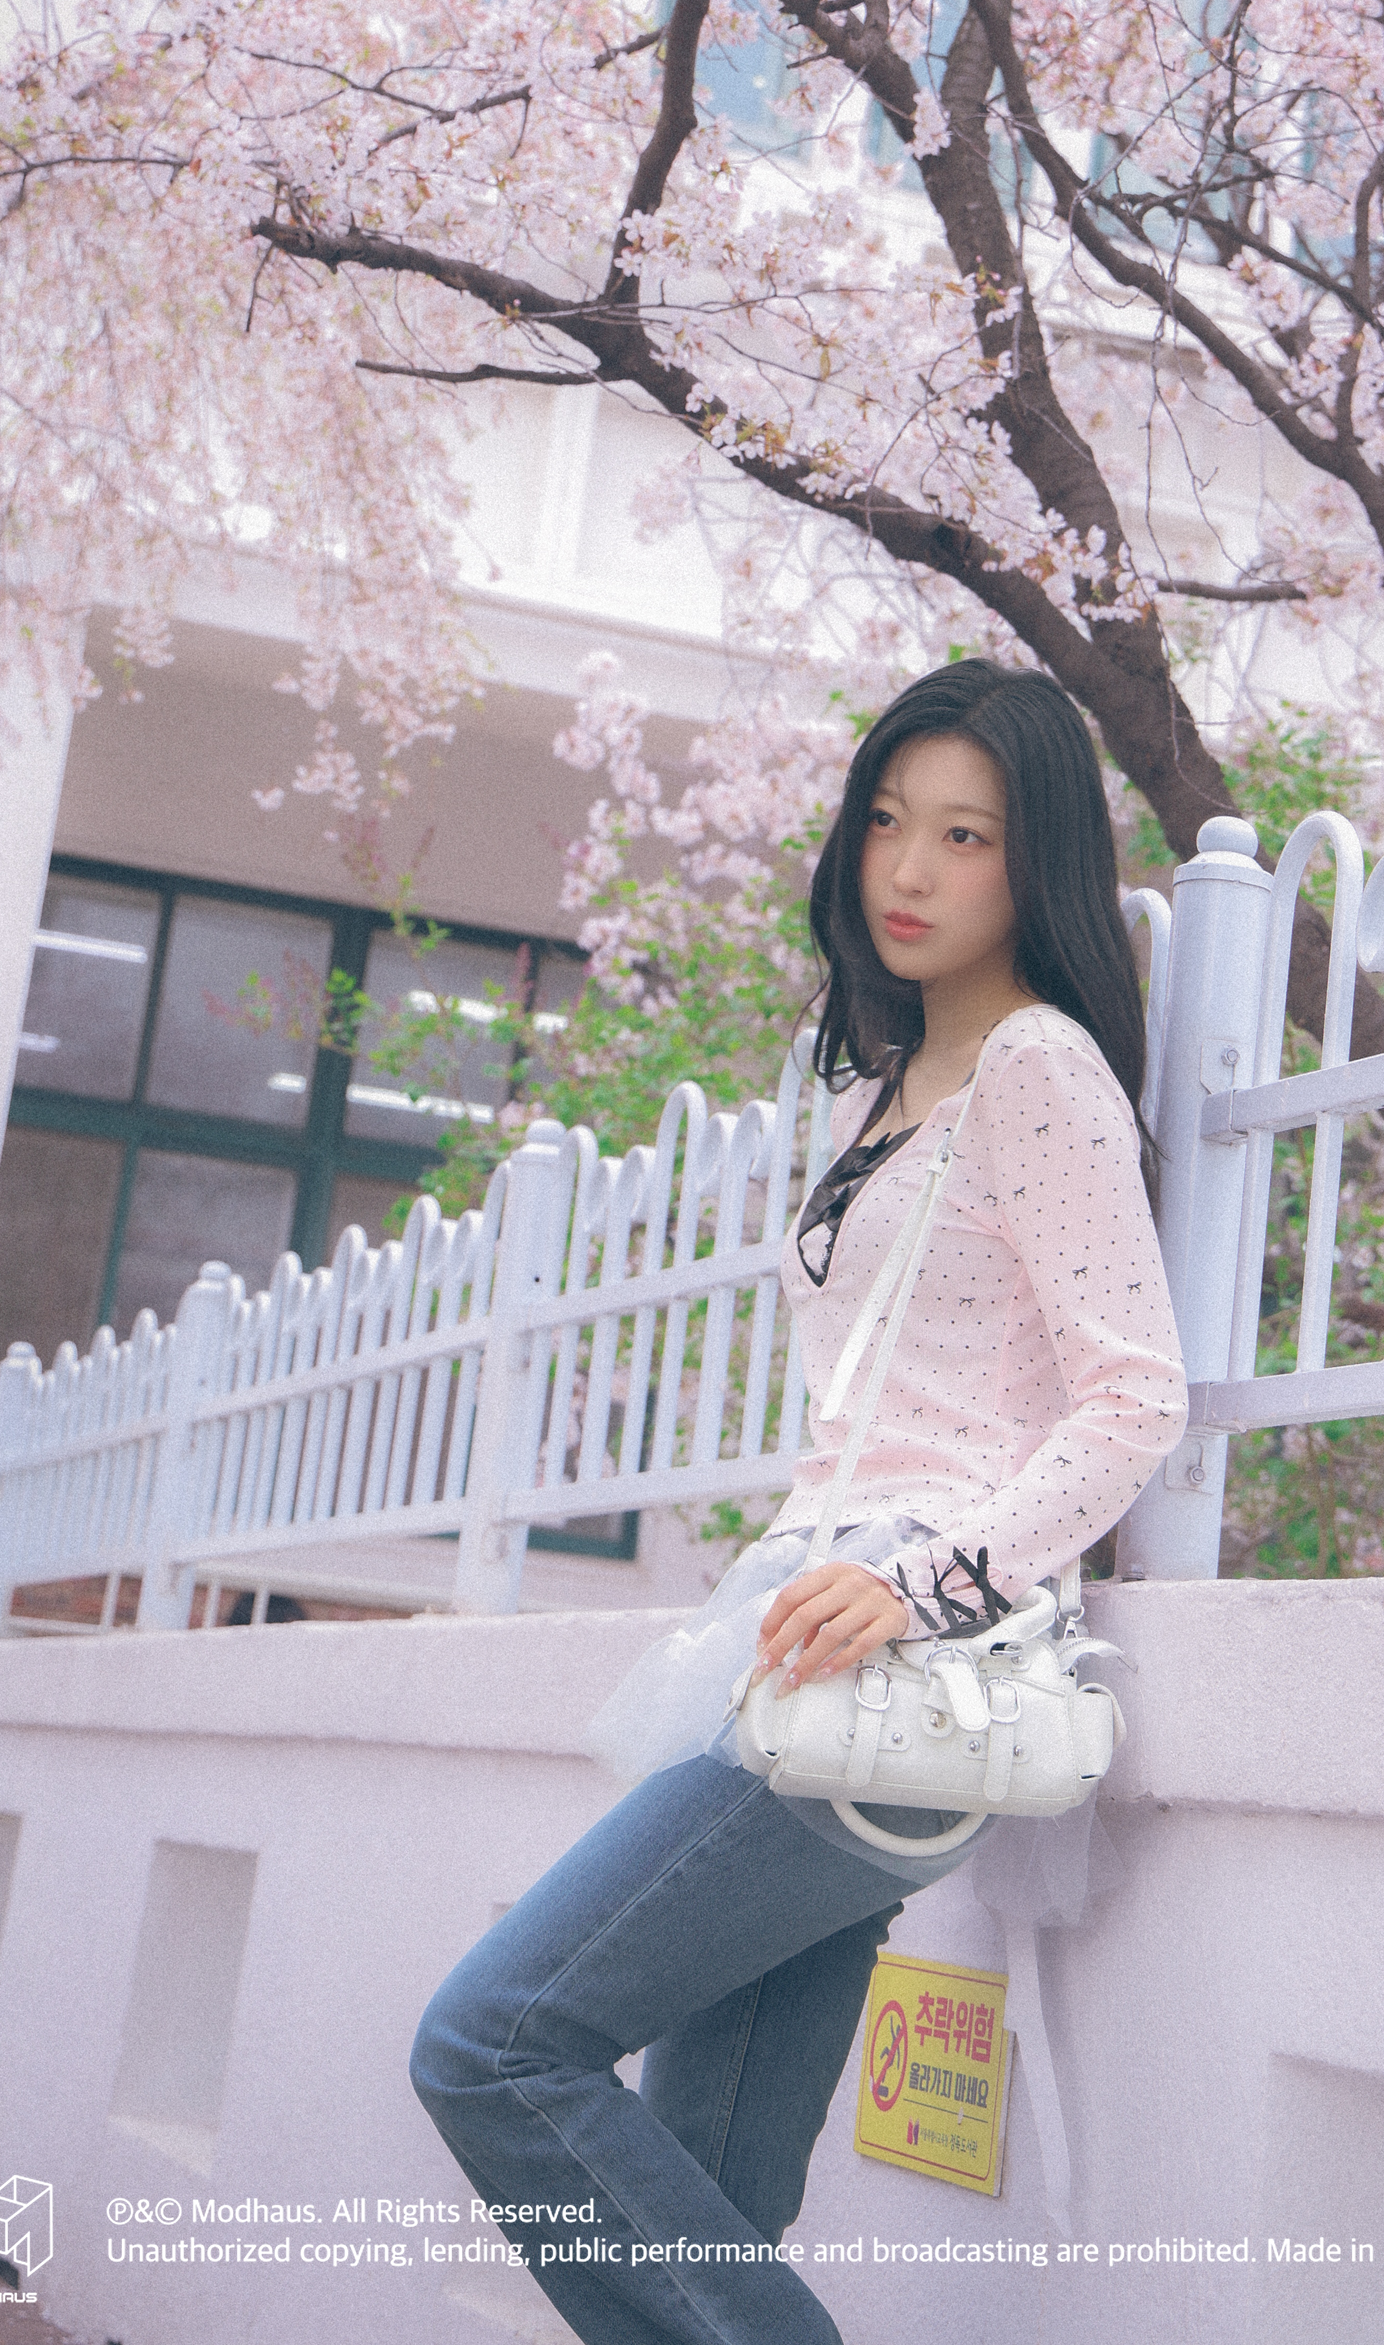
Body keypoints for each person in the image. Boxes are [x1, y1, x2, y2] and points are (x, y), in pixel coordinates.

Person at [409, 659, 1187, 2345]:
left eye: (964, 836)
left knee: (493, 2042)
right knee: (709, 2180)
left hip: (896, 1653)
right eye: (887, 822)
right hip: (805, 1634)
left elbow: (1134, 1397)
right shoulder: (871, 1092)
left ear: (1036, 862)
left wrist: (924, 1585)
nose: (907, 870)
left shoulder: (1038, 1072)